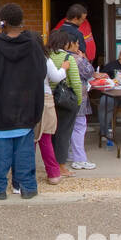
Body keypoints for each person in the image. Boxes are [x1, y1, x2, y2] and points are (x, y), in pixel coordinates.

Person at [0, 4, 47, 200]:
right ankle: (28, 187)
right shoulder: (33, 45)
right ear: (21, 21)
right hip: (27, 106)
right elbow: (42, 73)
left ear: (2, 22)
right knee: (24, 150)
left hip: (0, 106)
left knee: (1, 150)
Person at [47, 29, 82, 177]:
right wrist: (78, 101)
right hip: (65, 102)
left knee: (50, 134)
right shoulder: (68, 57)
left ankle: (51, 164)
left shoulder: (46, 56)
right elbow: (76, 82)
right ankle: (61, 166)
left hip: (49, 99)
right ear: (66, 43)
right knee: (63, 134)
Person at [38, 51, 68, 185]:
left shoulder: (21, 56)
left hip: (26, 99)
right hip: (45, 97)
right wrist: (64, 68)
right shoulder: (44, 59)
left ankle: (25, 174)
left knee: (29, 139)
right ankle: (53, 173)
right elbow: (56, 77)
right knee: (45, 137)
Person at [68, 40, 97, 170]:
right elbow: (89, 72)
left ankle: (68, 153)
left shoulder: (55, 55)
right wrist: (83, 58)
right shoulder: (76, 58)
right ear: (70, 44)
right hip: (78, 96)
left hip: (63, 97)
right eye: (77, 43)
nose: (78, 46)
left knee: (67, 127)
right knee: (79, 126)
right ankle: (79, 159)